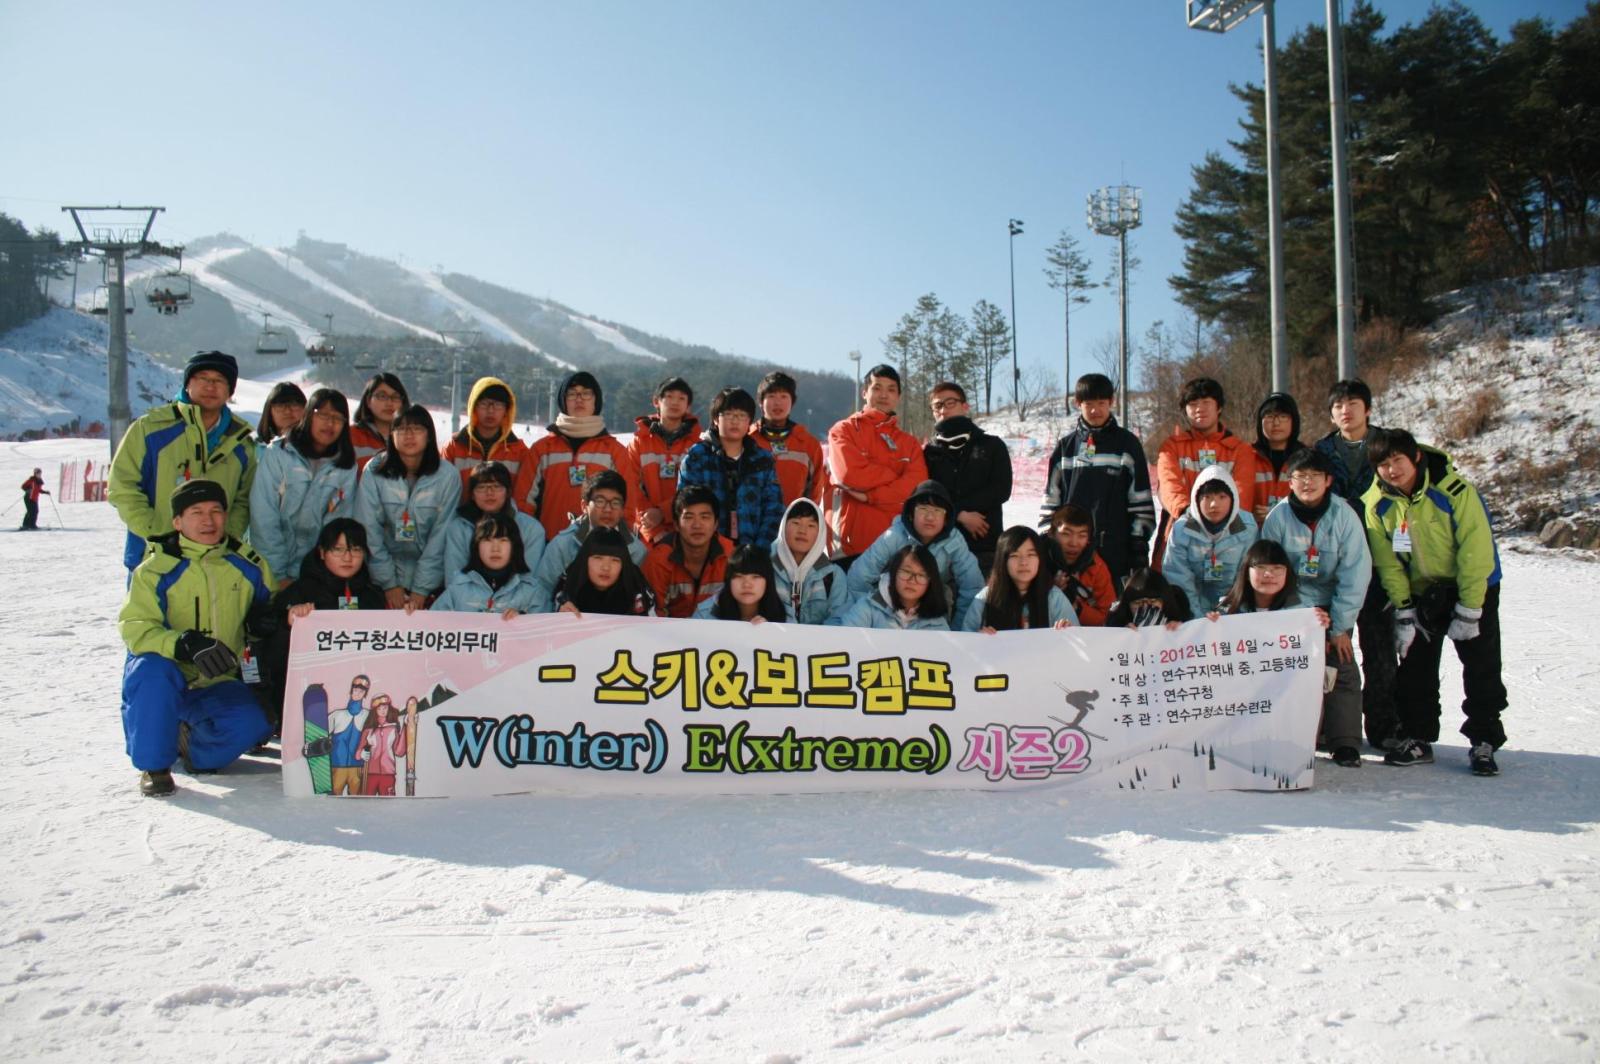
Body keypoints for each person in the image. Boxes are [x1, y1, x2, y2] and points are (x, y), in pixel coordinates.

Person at [1363, 429, 1507, 776]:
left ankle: (1484, 740)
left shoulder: (1454, 490)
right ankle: (1418, 736)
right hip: (1421, 590)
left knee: (1481, 665)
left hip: (1472, 584)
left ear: (1414, 457)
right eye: (1383, 464)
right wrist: (1404, 607)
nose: (1391, 470)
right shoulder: (1376, 503)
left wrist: (1471, 607)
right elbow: (1387, 562)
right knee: (1415, 668)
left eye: (1397, 460)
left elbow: (1476, 549)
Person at [117, 480, 273, 797]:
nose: (208, 520)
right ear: (177, 521)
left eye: (216, 511)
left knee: (254, 724)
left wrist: (263, 621)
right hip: (168, 677)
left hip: (218, 678)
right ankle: (155, 766)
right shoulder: (155, 569)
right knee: (150, 669)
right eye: (196, 512)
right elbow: (135, 627)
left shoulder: (246, 565)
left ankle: (189, 746)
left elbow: (268, 609)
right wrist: (183, 644)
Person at [1209, 540, 1356, 766]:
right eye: (1260, 568)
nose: (1269, 574)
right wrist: (1209, 628)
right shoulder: (1227, 610)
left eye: (1278, 569)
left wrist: (1320, 629)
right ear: (1246, 571)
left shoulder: (1303, 611)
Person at [109, 351, 257, 571]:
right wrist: (156, 531)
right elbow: (122, 487)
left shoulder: (241, 442)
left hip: (216, 560)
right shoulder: (150, 429)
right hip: (154, 558)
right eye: (202, 378)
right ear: (188, 384)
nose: (210, 386)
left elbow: (243, 500)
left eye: (219, 380)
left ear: (230, 391)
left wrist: (225, 536)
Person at [1313, 378, 1399, 748]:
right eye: (1338, 406)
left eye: (1352, 403)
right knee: (1334, 648)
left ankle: (1384, 727)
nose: (1345, 411)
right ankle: (1333, 728)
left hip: (1381, 558)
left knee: (1381, 648)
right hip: (1334, 563)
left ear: (1367, 408)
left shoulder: (1386, 445)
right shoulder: (1321, 450)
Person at [250, 518, 385, 736]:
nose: (347, 558)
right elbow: (271, 655)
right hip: (307, 698)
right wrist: (288, 623)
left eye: (356, 550)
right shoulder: (299, 592)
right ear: (322, 553)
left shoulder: (373, 595)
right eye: (338, 550)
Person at [1038, 373, 1154, 589]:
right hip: (1071, 553)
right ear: (1077, 404)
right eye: (1088, 404)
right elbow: (1050, 502)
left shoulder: (1127, 444)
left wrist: (1138, 546)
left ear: (1112, 402)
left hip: (1115, 553)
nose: (1095, 410)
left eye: (1101, 403)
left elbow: (1142, 503)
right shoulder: (1066, 447)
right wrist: (1049, 544)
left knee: (1113, 617)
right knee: (1071, 616)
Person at [354, 404, 462, 610]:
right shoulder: (375, 471)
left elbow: (441, 537)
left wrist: (422, 588)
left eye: (417, 429)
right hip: (380, 580)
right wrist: (389, 584)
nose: (409, 435)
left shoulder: (447, 476)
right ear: (391, 435)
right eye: (401, 429)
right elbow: (369, 530)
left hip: (432, 583)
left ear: (429, 435)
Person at [248, 388, 358, 585]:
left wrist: (315, 575)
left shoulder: (346, 465)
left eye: (338, 418)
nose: (330, 423)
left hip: (316, 575)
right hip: (269, 570)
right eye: (323, 415)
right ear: (308, 415)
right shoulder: (279, 453)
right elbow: (264, 519)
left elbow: (337, 525)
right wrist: (277, 575)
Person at [847, 480, 985, 625]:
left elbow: (972, 586)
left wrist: (960, 630)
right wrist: (870, 614)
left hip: (933, 606)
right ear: (911, 514)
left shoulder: (955, 541)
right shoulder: (895, 535)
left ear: (946, 519)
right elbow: (859, 577)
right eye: (923, 509)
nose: (930, 517)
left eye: (938, 511)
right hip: (892, 605)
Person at [827, 364, 928, 558]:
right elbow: (849, 474)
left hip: (898, 547)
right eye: (877, 388)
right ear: (864, 392)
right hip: (849, 547)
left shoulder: (909, 444)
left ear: (898, 397)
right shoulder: (843, 430)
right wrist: (894, 476)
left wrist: (870, 496)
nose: (884, 395)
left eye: (891, 390)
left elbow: (915, 489)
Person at [524, 371, 638, 542]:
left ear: (596, 401)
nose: (579, 399)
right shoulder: (542, 449)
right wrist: (530, 541)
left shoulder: (614, 451)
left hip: (599, 550)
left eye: (586, 393)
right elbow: (524, 503)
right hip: (548, 546)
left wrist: (616, 545)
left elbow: (627, 506)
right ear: (563, 401)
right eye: (572, 394)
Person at [1154, 377, 1258, 563]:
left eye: (1206, 402)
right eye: (1193, 404)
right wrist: (1189, 517)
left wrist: (1220, 524)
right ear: (1185, 410)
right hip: (1181, 529)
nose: (1199, 408)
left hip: (1228, 536)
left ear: (1219, 407)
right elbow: (1170, 486)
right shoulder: (1172, 447)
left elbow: (1243, 493)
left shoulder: (1240, 450)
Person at [923, 381, 1012, 574]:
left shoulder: (992, 445)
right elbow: (928, 496)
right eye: (937, 405)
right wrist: (960, 514)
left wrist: (957, 508)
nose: (943, 410)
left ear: (965, 406)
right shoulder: (928, 453)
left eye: (950, 403)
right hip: (941, 545)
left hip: (984, 543)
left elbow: (1001, 489)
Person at [678, 387, 784, 549]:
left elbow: (774, 509)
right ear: (715, 419)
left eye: (742, 416)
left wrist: (758, 550)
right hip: (708, 551)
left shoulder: (762, 459)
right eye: (728, 415)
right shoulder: (697, 457)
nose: (735, 421)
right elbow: (684, 505)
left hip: (753, 550)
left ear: (749, 422)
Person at [531, 470, 649, 611]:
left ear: (623, 509)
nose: (607, 509)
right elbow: (541, 591)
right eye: (600, 501)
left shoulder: (636, 550)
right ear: (584, 506)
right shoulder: (563, 545)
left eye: (615, 503)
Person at [1162, 465, 1259, 619]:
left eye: (1222, 497)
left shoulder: (1246, 527)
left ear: (1233, 498)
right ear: (1196, 499)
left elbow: (1245, 578)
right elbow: (1178, 578)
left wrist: (1226, 612)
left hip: (1235, 611)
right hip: (1192, 612)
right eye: (1207, 497)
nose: (1214, 504)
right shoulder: (1182, 529)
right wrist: (1198, 616)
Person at [441, 461, 547, 581]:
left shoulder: (531, 529)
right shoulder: (459, 529)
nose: (489, 493)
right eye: (481, 487)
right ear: (472, 494)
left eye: (496, 486)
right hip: (468, 598)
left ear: (508, 492)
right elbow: (454, 578)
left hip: (518, 597)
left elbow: (528, 579)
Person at [641, 485, 735, 618]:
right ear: (676, 525)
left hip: (717, 633)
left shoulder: (731, 557)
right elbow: (652, 615)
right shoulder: (658, 561)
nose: (697, 525)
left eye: (705, 517)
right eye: (689, 517)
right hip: (670, 634)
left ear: (716, 524)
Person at [961, 526, 1078, 632]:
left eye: (1031, 555)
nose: (1023, 562)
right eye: (1014, 556)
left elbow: (1077, 643)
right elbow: (965, 643)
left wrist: (1067, 633)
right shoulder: (985, 599)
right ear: (1002, 561)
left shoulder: (1054, 598)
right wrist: (978, 640)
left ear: (1040, 559)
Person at [443, 376, 534, 511]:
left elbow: (523, 497)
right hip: (461, 523)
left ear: (506, 411)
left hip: (504, 526)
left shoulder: (519, 451)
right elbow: (443, 493)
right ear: (474, 407)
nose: (491, 410)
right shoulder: (454, 447)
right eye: (484, 404)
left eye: (497, 405)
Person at [628, 376, 700, 547]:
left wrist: (663, 512)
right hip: (647, 534)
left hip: (687, 533)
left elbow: (697, 489)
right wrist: (652, 530)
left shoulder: (697, 445)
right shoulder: (639, 443)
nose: (675, 402)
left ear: (688, 406)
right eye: (669, 397)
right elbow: (631, 488)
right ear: (656, 401)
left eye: (681, 398)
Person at [432, 512, 542, 617]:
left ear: (514, 547)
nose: (495, 549)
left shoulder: (532, 593)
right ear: (476, 546)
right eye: (487, 540)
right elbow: (432, 625)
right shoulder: (458, 589)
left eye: (503, 540)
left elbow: (546, 631)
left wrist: (524, 619)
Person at [748, 371, 828, 514]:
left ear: (792, 401)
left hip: (792, 525)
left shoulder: (808, 444)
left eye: (784, 396)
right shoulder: (747, 439)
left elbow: (815, 491)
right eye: (771, 396)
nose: (777, 402)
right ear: (760, 401)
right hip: (751, 522)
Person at [838, 543, 951, 631]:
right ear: (893, 573)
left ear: (930, 581)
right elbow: (846, 640)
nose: (912, 580)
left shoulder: (937, 622)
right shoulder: (869, 607)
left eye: (921, 575)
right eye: (906, 572)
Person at [772, 498, 848, 625]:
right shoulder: (765, 567)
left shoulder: (833, 576)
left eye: (811, 525)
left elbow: (838, 619)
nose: (802, 531)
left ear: (820, 532)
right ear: (783, 526)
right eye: (796, 523)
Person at [554, 526, 656, 616]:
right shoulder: (571, 579)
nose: (606, 567)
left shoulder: (636, 585)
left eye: (615, 560)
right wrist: (562, 614)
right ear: (585, 560)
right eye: (598, 558)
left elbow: (648, 628)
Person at [1044, 504, 1117, 627]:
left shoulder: (1096, 567)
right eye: (1066, 534)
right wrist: (1050, 589)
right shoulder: (1036, 560)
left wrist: (1076, 607)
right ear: (1051, 533)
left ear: (1089, 539)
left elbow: (1107, 617)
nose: (1074, 543)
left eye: (1082, 536)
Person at [693, 545, 789, 623]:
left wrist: (772, 633)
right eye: (738, 576)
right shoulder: (705, 615)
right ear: (728, 580)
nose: (747, 584)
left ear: (768, 580)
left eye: (755, 577)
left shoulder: (786, 615)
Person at [1251, 391, 1307, 523]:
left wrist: (1277, 514)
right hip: (1256, 536)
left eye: (1283, 416)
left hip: (1295, 534)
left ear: (1294, 421)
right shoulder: (1247, 455)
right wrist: (1251, 515)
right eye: (1269, 416)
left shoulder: (1306, 458)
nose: (1276, 423)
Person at [349, 373, 409, 473]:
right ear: (368, 401)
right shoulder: (350, 436)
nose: (389, 403)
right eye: (382, 396)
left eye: (395, 397)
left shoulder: (413, 437)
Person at [355, 695, 409, 796]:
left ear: (389, 708)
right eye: (379, 708)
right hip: (369, 773)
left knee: (388, 805)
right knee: (366, 803)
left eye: (385, 708)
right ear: (374, 710)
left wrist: (405, 727)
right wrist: (361, 754)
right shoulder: (368, 729)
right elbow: (358, 753)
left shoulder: (393, 728)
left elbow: (399, 752)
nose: (382, 711)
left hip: (388, 773)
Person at [1105, 568, 1192, 630]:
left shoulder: (1181, 617)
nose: (1145, 606)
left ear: (1165, 601)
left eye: (1153, 601)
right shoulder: (1115, 624)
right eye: (1138, 602)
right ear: (1128, 604)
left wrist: (1184, 631)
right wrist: (1120, 635)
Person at [255, 382, 307, 446]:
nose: (287, 411)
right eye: (280, 406)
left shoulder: (319, 446)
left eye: (294, 405)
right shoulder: (257, 448)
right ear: (269, 411)